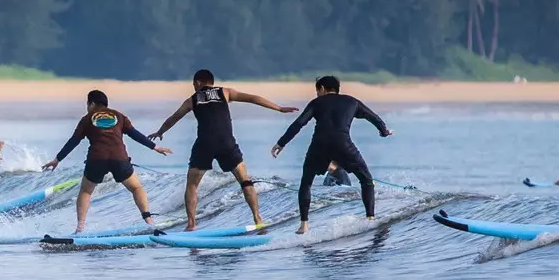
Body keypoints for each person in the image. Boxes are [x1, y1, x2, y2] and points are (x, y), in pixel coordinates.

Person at [149, 68, 295, 230]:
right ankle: (257, 218)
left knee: (192, 185)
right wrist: (279, 108)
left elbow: (174, 118)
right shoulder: (225, 92)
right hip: (227, 143)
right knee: (245, 181)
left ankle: (191, 225)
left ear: (198, 83)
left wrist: (160, 131)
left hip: (205, 143)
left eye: (193, 84)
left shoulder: (192, 99)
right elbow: (253, 98)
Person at [271, 75, 394, 235]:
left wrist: (281, 143)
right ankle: (370, 219)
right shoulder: (352, 101)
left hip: (318, 145)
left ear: (321, 88)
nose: (317, 94)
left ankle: (304, 225)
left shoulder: (316, 103)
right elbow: (373, 117)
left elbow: (299, 123)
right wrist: (384, 131)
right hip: (343, 144)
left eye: (317, 91)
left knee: (306, 183)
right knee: (366, 180)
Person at [44, 89, 171, 233]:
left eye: (87, 104)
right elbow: (135, 134)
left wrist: (57, 159)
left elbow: (74, 141)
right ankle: (149, 220)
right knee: (136, 188)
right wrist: (155, 147)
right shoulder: (120, 116)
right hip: (119, 158)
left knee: (86, 191)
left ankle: (80, 228)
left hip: (96, 159)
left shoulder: (87, 118)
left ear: (91, 104)